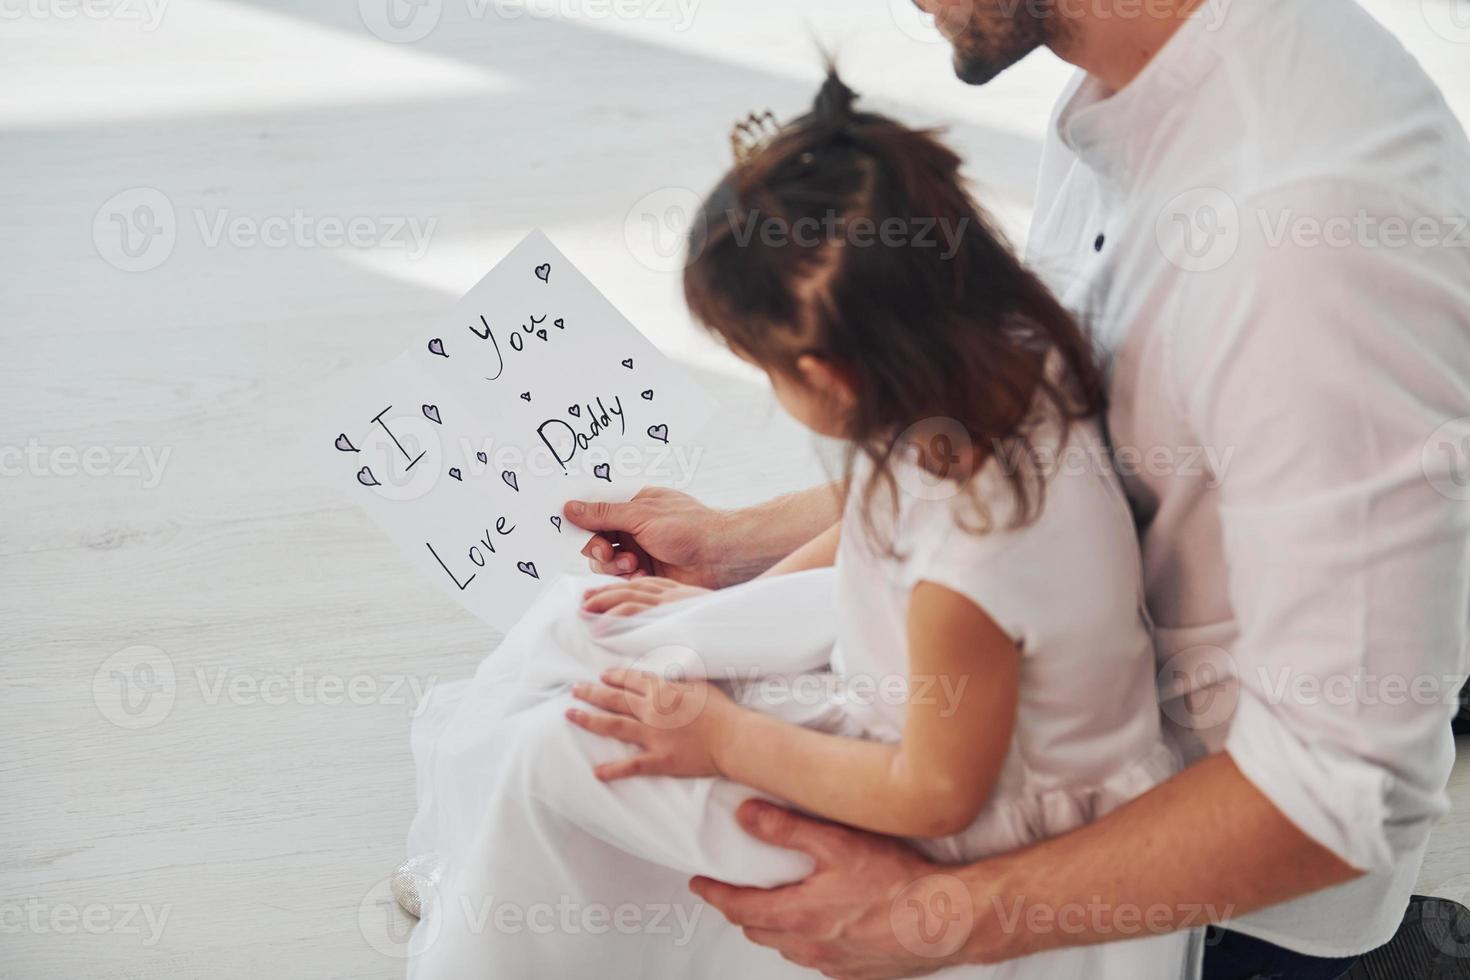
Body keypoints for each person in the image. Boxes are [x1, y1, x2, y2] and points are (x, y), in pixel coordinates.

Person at [565, 0, 1470, 977]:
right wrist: (747, 554)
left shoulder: (1310, 245)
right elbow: (1017, 431)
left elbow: (1345, 790)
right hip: (1046, 762)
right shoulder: (1123, 91)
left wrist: (937, 915)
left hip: (1211, 899)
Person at [399, 69, 1197, 979]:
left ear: (829, 375)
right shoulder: (992, 359)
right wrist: (712, 620)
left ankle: (507, 932)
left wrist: (723, 737)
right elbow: (879, 518)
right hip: (913, 700)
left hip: (979, 826)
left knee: (559, 755)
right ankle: (501, 890)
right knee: (586, 633)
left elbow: (935, 793)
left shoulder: (972, 563)